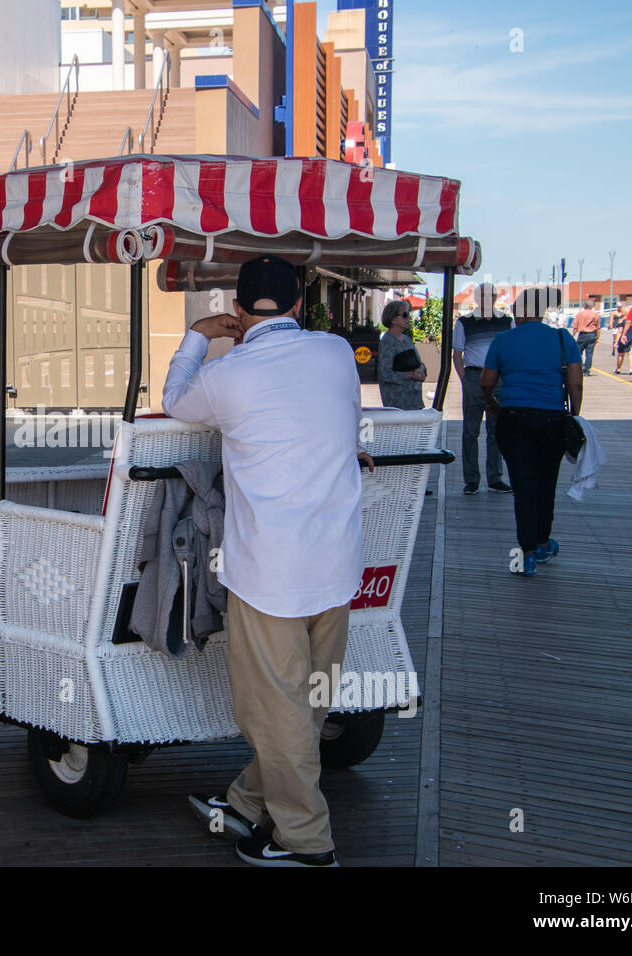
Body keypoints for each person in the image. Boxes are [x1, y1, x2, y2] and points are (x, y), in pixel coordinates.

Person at [166, 255, 374, 867]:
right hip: (337, 564)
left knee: (275, 711)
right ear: (300, 306)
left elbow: (175, 400)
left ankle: (305, 841)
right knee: (306, 702)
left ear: (237, 311)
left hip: (270, 574)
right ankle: (247, 803)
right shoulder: (336, 352)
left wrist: (199, 338)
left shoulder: (229, 376)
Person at [480, 287, 582, 577]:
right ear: (541, 312)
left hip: (514, 419)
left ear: (519, 311)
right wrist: (574, 414)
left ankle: (526, 554)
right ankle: (541, 542)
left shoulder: (503, 340)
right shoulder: (563, 339)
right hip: (552, 420)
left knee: (523, 486)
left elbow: (487, 381)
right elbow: (575, 383)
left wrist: (492, 403)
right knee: (546, 483)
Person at [452, 282, 512, 495]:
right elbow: (457, 355)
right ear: (476, 298)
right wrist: (465, 379)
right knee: (470, 430)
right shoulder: (464, 323)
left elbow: (511, 351)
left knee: (497, 430)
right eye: (484, 295)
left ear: (496, 297)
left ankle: (495, 478)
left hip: (499, 378)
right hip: (474, 375)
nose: (488, 298)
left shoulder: (507, 322)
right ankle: (472, 480)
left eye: (491, 295)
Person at [376, 299, 426, 410]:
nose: (409, 317)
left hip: (414, 401)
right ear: (393, 319)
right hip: (398, 404)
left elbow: (418, 362)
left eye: (409, 314)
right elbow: (385, 374)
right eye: (405, 314)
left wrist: (422, 369)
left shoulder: (407, 340)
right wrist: (411, 375)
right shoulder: (387, 342)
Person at [571, 299, 601, 376]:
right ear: (592, 306)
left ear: (584, 306)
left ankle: (578, 367)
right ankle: (587, 370)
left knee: (578, 352)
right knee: (589, 353)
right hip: (591, 335)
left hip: (582, 335)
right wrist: (597, 338)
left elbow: (574, 326)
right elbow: (598, 328)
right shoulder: (595, 315)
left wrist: (573, 336)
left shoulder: (579, 314)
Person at [610, 304, 632, 374]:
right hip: (631, 338)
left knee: (621, 354)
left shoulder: (622, 321)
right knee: (630, 354)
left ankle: (618, 368)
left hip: (623, 338)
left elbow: (619, 331)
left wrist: (616, 341)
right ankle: (631, 369)